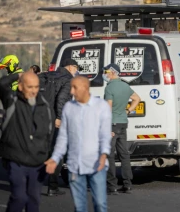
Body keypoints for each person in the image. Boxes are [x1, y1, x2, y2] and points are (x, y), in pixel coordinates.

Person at [45, 76, 112, 212]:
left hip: (96, 164)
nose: (71, 91)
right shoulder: (69, 108)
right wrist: (55, 158)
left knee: (100, 204)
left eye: (75, 87)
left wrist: (104, 154)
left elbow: (105, 134)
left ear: (85, 88)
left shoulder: (101, 106)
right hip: (75, 166)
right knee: (80, 207)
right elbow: (63, 137)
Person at [0, 71, 54, 212]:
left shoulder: (45, 106)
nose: (34, 91)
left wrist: (50, 156)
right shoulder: (12, 100)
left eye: (36, 87)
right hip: (16, 159)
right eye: (30, 87)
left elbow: (49, 133)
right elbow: (1, 84)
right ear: (21, 86)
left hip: (38, 161)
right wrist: (17, 75)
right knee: (20, 197)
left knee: (34, 200)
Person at [103, 63, 140, 195]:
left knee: (109, 155)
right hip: (123, 123)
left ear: (113, 72)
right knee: (124, 154)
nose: (105, 74)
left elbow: (108, 108)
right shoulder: (125, 85)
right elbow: (137, 99)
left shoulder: (109, 88)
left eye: (106, 71)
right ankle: (127, 184)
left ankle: (112, 186)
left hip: (112, 124)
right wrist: (128, 110)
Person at [45, 58, 80, 197]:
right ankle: (53, 186)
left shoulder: (50, 76)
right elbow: (61, 99)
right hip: (57, 119)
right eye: (76, 68)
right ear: (70, 67)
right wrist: (59, 117)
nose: (76, 71)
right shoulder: (68, 79)